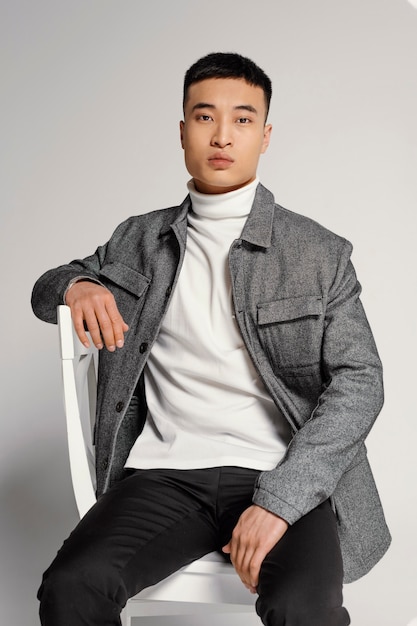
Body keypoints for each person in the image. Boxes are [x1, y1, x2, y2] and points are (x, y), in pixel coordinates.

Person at [32, 52, 391, 626]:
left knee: (304, 609)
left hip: (282, 469)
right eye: (205, 117)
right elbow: (47, 285)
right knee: (74, 587)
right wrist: (76, 284)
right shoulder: (139, 239)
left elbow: (362, 381)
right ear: (182, 131)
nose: (223, 135)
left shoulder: (321, 254)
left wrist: (280, 501)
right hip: (164, 477)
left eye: (243, 119)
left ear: (266, 135)